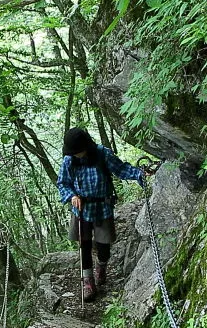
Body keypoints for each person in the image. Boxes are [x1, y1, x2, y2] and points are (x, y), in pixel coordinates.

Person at [56, 127, 145, 302]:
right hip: (81, 210)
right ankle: (88, 282)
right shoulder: (69, 161)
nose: (76, 155)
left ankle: (101, 267)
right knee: (85, 246)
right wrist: (72, 195)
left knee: (104, 246)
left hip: (102, 208)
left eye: (78, 151)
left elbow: (121, 169)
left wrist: (141, 174)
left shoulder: (102, 154)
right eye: (73, 152)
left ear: (86, 146)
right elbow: (63, 183)